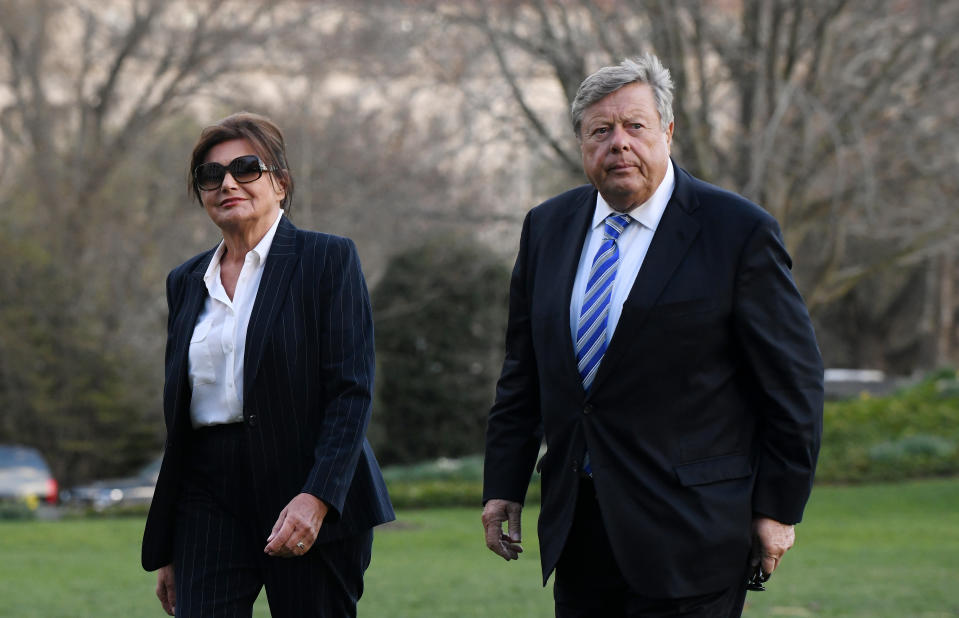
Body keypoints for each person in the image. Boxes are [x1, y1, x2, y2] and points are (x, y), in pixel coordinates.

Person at [481, 54, 823, 617]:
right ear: (581, 145)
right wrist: (504, 484)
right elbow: (523, 373)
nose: (619, 143)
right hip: (581, 531)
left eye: (635, 126)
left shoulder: (736, 231)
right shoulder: (547, 227)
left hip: (693, 532)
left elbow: (794, 385)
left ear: (666, 131)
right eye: (601, 130)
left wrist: (779, 510)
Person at [141, 112, 394, 617]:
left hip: (305, 478)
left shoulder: (328, 259)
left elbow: (351, 391)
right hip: (207, 493)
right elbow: (181, 418)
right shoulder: (186, 280)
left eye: (246, 168)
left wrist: (317, 497)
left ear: (280, 182)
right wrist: (172, 544)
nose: (227, 183)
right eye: (211, 176)